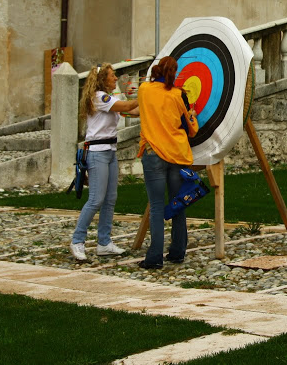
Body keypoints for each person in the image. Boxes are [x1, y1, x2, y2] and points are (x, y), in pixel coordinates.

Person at [70, 63, 139, 261]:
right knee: (96, 199)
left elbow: (131, 112)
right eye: (112, 75)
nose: (115, 78)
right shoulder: (100, 97)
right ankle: (77, 240)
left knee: (110, 199)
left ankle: (104, 242)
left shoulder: (110, 99)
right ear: (103, 79)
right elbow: (127, 106)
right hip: (98, 152)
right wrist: (144, 94)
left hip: (109, 151)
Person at [136, 56, 198, 269]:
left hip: (154, 154)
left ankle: (154, 258)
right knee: (178, 204)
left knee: (156, 208)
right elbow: (191, 128)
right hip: (178, 155)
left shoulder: (144, 90)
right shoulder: (179, 95)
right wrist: (193, 114)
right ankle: (178, 252)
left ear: (156, 70)